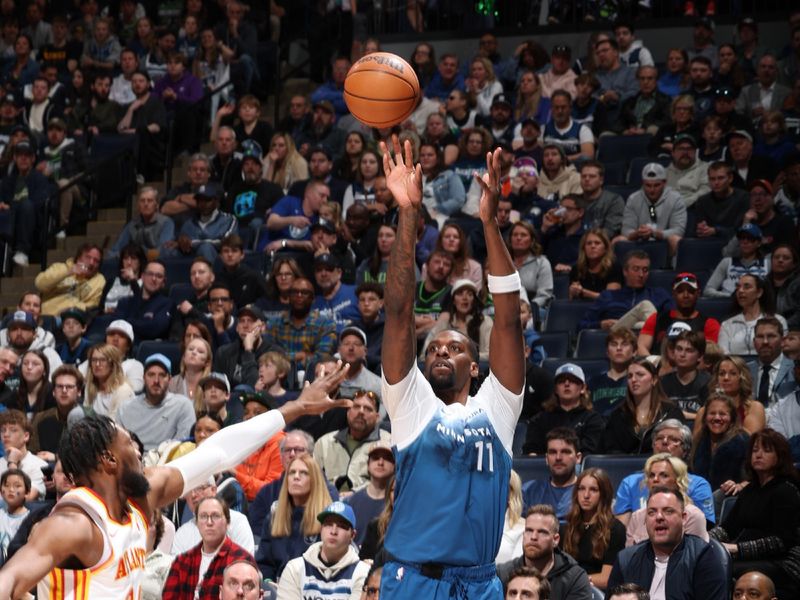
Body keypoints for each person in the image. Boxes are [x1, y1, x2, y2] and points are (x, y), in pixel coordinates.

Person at [0, 361, 351, 597]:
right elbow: (11, 580)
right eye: (127, 440)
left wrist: (296, 408)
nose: (138, 450)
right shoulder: (73, 524)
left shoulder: (143, 496)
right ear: (108, 459)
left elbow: (218, 451)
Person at [377, 137, 524, 597]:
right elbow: (399, 311)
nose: (441, 351)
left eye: (455, 348)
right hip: (414, 580)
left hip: (479, 583)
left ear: (476, 367)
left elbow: (506, 315)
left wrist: (490, 223)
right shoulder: (411, 405)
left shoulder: (497, 410)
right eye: (434, 348)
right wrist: (408, 214)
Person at [709, 429, 800, 597]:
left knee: (721, 567)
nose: (758, 455)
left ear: (779, 457)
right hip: (751, 558)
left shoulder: (787, 490)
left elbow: (781, 542)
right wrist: (703, 539)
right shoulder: (750, 490)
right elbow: (728, 529)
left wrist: (736, 548)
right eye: (755, 450)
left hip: (785, 562)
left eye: (766, 450)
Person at [606, 487, 727, 599]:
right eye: (652, 512)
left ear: (684, 518)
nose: (659, 517)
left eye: (668, 511)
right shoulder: (626, 559)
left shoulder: (702, 556)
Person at [256, 454, 333, 580]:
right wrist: (268, 583)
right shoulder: (274, 517)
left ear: (315, 480)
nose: (296, 477)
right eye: (292, 473)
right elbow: (264, 563)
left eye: (304, 473)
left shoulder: (328, 520)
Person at [163, 496, 254, 599]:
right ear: (197, 523)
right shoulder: (182, 562)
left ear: (227, 523)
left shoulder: (242, 560)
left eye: (215, 516)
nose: (209, 522)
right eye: (203, 516)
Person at [496, 504, 592, 598]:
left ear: (555, 540)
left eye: (542, 532)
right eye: (529, 530)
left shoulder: (574, 579)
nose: (533, 537)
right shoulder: (503, 573)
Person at [278, 501, 370, 599]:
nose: (333, 531)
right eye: (328, 524)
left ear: (352, 535)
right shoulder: (295, 569)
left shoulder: (363, 572)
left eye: (341, 526)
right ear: (321, 529)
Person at [603, 357, 685, 455]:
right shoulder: (618, 415)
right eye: (629, 376)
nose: (633, 380)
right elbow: (609, 450)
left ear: (654, 380)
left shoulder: (670, 413)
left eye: (640, 375)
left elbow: (680, 447)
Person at [561, 468, 625, 590]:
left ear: (604, 494)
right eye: (581, 489)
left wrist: (572, 581)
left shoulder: (615, 529)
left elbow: (607, 579)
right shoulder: (566, 528)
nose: (586, 495)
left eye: (593, 490)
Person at [314, 389, 390, 492]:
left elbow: (389, 481)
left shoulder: (387, 443)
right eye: (356, 407)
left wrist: (355, 494)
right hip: (328, 501)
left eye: (368, 409)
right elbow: (313, 478)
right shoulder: (324, 443)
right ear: (348, 413)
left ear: (377, 418)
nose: (361, 412)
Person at [624, 455, 709, 546]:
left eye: (664, 475)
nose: (655, 480)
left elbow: (696, 555)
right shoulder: (637, 517)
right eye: (652, 475)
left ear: (678, 481)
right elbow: (629, 556)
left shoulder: (692, 515)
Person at [116, 354, 196, 451]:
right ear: (144, 378)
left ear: (169, 379)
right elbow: (119, 445)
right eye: (151, 375)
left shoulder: (183, 405)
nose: (156, 381)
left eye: (162, 375)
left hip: (167, 462)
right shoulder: (125, 408)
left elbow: (183, 447)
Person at [578, 251, 672, 332]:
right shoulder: (608, 296)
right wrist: (600, 325)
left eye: (645, 270)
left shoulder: (658, 294)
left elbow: (673, 320)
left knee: (646, 307)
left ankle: (627, 326)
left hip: (647, 340)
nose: (641, 274)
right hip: (617, 342)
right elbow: (581, 326)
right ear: (625, 271)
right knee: (645, 306)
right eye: (636, 269)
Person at [524, 366, 604, 455]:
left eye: (572, 380)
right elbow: (532, 449)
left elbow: (590, 451)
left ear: (583, 388)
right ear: (555, 389)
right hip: (544, 466)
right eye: (561, 381)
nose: (566, 384)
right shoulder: (540, 420)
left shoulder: (593, 419)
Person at [637, 272, 720, 356]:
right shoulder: (656, 318)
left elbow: (709, 355)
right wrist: (655, 364)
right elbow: (641, 346)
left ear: (698, 294)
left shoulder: (709, 324)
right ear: (673, 294)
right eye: (680, 291)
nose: (685, 295)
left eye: (690, 291)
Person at [616, 162, 687, 257]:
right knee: (619, 240)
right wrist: (637, 233)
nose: (652, 190)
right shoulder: (633, 199)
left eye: (656, 185)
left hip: (664, 244)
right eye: (648, 185)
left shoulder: (676, 199)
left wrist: (655, 233)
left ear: (664, 183)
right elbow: (626, 230)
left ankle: (673, 270)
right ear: (643, 183)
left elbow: (678, 230)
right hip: (638, 243)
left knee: (676, 240)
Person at [690, 393, 749, 491]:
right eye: (712, 413)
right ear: (705, 417)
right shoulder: (699, 440)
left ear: (732, 418)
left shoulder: (743, 441)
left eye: (722, 414)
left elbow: (751, 479)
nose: (717, 418)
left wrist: (739, 486)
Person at [718, 274, 788, 356]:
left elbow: (784, 351)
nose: (740, 291)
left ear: (759, 292)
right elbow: (723, 354)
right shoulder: (727, 324)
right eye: (738, 287)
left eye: (746, 287)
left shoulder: (778, 320)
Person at [521, 428, 581, 520]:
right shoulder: (528, 491)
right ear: (546, 458)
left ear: (578, 458)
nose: (558, 457)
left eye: (565, 452)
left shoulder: (587, 493)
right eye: (552, 452)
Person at [34, 243, 105, 316]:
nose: (91, 263)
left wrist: (71, 307)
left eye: (96, 261)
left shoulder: (99, 280)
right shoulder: (60, 268)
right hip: (47, 315)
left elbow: (92, 307)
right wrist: (68, 272)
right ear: (78, 258)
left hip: (73, 319)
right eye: (88, 257)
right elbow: (40, 285)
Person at [29, 364, 84, 457]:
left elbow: (87, 455)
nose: (64, 390)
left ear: (79, 392)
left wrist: (56, 457)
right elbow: (32, 452)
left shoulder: (88, 417)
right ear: (53, 392)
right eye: (59, 386)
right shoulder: (40, 418)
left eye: (69, 387)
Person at [113, 260, 173, 342]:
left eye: (159, 276)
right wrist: (143, 324)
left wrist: (127, 321)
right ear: (142, 276)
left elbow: (155, 329)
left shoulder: (167, 304)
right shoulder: (125, 302)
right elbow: (117, 328)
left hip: (148, 349)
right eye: (150, 274)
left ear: (163, 282)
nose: (154, 279)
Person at [704, 223, 770, 297]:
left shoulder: (767, 263)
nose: (745, 242)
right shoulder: (727, 262)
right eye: (742, 238)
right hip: (729, 304)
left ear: (758, 243)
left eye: (750, 238)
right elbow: (708, 290)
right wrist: (731, 296)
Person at [660, 330, 711, 420]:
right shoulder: (664, 382)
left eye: (689, 350)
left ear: (699, 356)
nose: (682, 354)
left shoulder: (708, 382)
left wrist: (681, 415)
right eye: (679, 349)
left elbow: (711, 416)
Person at [694, 162, 750, 242]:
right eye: (712, 179)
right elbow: (699, 229)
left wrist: (716, 231)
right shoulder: (702, 201)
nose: (716, 183)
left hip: (735, 244)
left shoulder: (743, 198)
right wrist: (701, 229)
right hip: (708, 243)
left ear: (730, 178)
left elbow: (739, 230)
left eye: (720, 178)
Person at [506, 221, 554, 313]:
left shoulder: (542, 263)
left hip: (534, 310)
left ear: (532, 240)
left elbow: (545, 295)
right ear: (510, 239)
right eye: (515, 235)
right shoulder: (503, 262)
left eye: (523, 235)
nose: (518, 238)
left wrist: (528, 307)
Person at [0, 409, 47, 501]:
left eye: (13, 430)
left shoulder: (39, 466)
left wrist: (12, 463)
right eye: (3, 430)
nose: (6, 434)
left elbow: (23, 498)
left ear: (26, 436)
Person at [749, 317, 797, 406]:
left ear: (782, 341)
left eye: (771, 336)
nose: (765, 342)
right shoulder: (745, 370)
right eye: (760, 337)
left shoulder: (794, 368)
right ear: (754, 342)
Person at [589, 329, 636, 417]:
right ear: (607, 352)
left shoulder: (637, 381)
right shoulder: (593, 382)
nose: (619, 348)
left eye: (625, 344)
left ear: (634, 352)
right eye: (614, 344)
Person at [83, 343, 136, 419]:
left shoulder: (123, 390)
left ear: (112, 364)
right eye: (94, 360)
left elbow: (115, 424)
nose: (97, 364)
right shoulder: (90, 387)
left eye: (102, 360)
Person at [578, 161, 625, 239]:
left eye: (592, 176)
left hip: (600, 244)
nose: (587, 179)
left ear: (601, 180)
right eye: (583, 176)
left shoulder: (614, 201)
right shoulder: (574, 201)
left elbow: (610, 231)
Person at [0, 469, 30, 558]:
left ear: (27, 492)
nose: (11, 489)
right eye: (7, 485)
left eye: (17, 486)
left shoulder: (30, 520)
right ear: (1, 492)